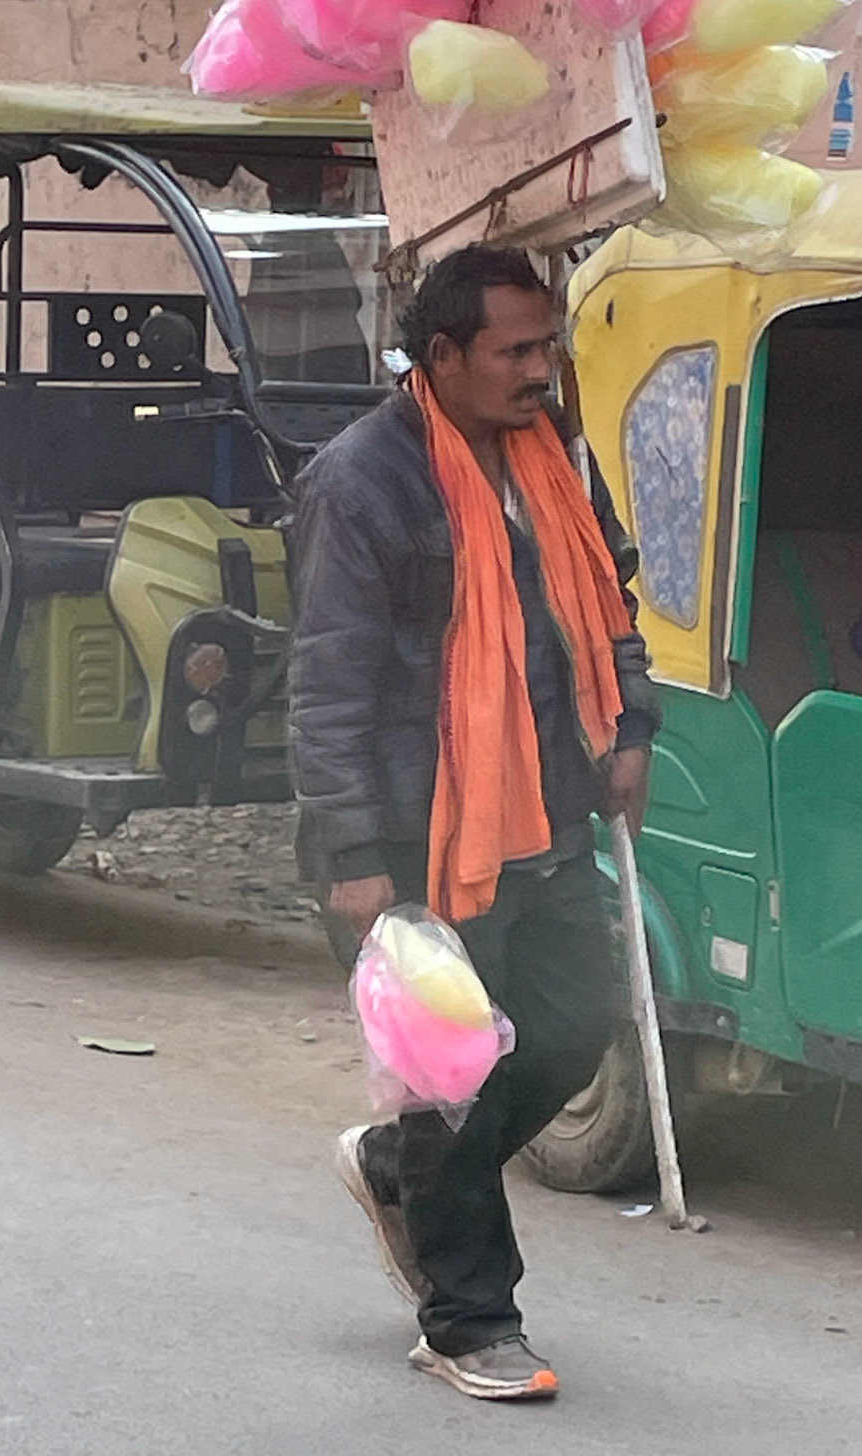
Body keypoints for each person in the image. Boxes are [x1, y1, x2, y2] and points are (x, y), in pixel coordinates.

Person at [290, 243, 657, 1402]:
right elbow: (329, 678)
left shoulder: (556, 461)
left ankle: (400, 1172)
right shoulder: (361, 481)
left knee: (575, 1017)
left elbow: (610, 594)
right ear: (439, 356)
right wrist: (350, 851)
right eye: (517, 349)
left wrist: (631, 720)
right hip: (418, 832)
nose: (542, 370)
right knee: (448, 1080)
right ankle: (469, 1318)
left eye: (548, 345)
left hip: (547, 807)